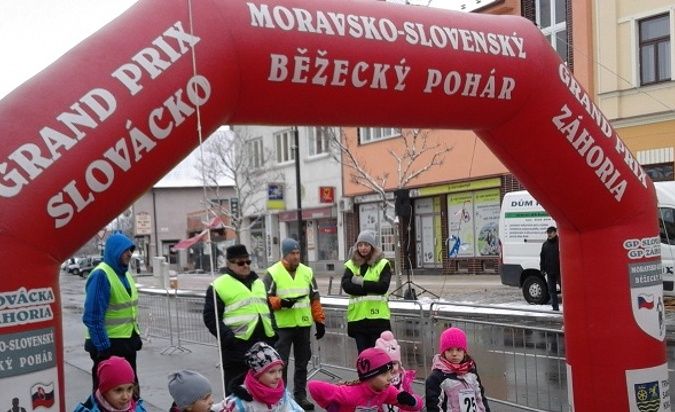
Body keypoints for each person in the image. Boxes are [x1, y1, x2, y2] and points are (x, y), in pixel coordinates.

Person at [203, 244, 276, 394]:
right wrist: (227, 337)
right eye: (240, 263)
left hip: (263, 344)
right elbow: (210, 317)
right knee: (237, 392)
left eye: (248, 262)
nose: (246, 265)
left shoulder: (258, 283)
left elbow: (268, 309)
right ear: (229, 264)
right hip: (237, 347)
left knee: (262, 391)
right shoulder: (219, 285)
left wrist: (274, 332)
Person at [263, 238, 326, 411]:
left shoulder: (307, 272)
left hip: (303, 325)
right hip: (282, 326)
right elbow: (263, 298)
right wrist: (281, 303)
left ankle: (300, 396)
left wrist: (319, 320)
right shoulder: (273, 273)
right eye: (292, 253)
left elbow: (314, 298)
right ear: (285, 254)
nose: (296, 256)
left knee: (302, 363)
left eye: (298, 253)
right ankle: (280, 397)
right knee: (279, 364)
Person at [83, 233, 142, 392]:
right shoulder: (101, 275)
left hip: (126, 343)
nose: (129, 254)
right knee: (108, 395)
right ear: (114, 251)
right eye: (125, 250)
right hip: (109, 345)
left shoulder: (125, 275)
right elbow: (92, 317)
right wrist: (104, 349)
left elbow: (130, 310)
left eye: (131, 250)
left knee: (131, 391)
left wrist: (135, 336)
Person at [307, 347, 423, 411]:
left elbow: (417, 406)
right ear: (369, 377)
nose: (389, 378)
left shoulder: (386, 391)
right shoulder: (349, 393)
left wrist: (412, 401)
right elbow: (313, 386)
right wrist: (330, 406)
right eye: (383, 374)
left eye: (390, 372)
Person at [341, 230, 392, 353]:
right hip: (358, 320)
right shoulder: (351, 265)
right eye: (360, 245)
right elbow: (347, 286)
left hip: (378, 320)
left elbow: (382, 287)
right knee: (363, 357)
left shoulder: (383, 264)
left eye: (366, 245)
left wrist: (360, 282)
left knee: (378, 356)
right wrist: (370, 288)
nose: (363, 248)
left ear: (373, 247)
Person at [222, 342, 304, 411]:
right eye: (271, 372)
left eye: (280, 370)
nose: (278, 376)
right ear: (258, 374)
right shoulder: (239, 402)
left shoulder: (282, 394)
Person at [425, 327, 490, 412]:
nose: (454, 354)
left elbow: (480, 398)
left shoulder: (471, 372)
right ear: (443, 352)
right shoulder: (436, 378)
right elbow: (434, 406)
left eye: (459, 350)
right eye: (449, 350)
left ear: (464, 352)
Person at [74, 356, 147, 412]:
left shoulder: (137, 409)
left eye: (129, 389)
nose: (125, 397)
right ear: (104, 391)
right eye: (118, 390)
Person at [375, 331, 418, 412]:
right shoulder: (376, 381)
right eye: (387, 365)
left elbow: (411, 398)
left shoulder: (404, 380)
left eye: (394, 364)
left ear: (399, 364)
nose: (391, 368)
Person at [540, 226, 561, 311]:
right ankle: (555, 307)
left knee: (564, 289)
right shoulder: (545, 244)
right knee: (552, 290)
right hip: (550, 271)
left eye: (551, 232)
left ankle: (567, 307)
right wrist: (542, 269)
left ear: (555, 232)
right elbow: (542, 257)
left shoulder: (560, 243)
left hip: (560, 271)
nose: (549, 234)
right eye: (548, 232)